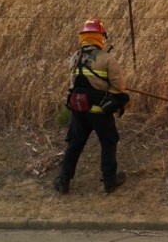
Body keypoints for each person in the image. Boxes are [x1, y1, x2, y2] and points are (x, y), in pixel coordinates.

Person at [54, 18, 129, 195]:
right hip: (100, 113)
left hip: (79, 111)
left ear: (84, 37)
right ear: (99, 36)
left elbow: (74, 83)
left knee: (75, 145)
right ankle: (109, 182)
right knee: (109, 143)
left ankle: (63, 181)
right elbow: (119, 87)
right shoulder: (107, 58)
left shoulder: (75, 57)